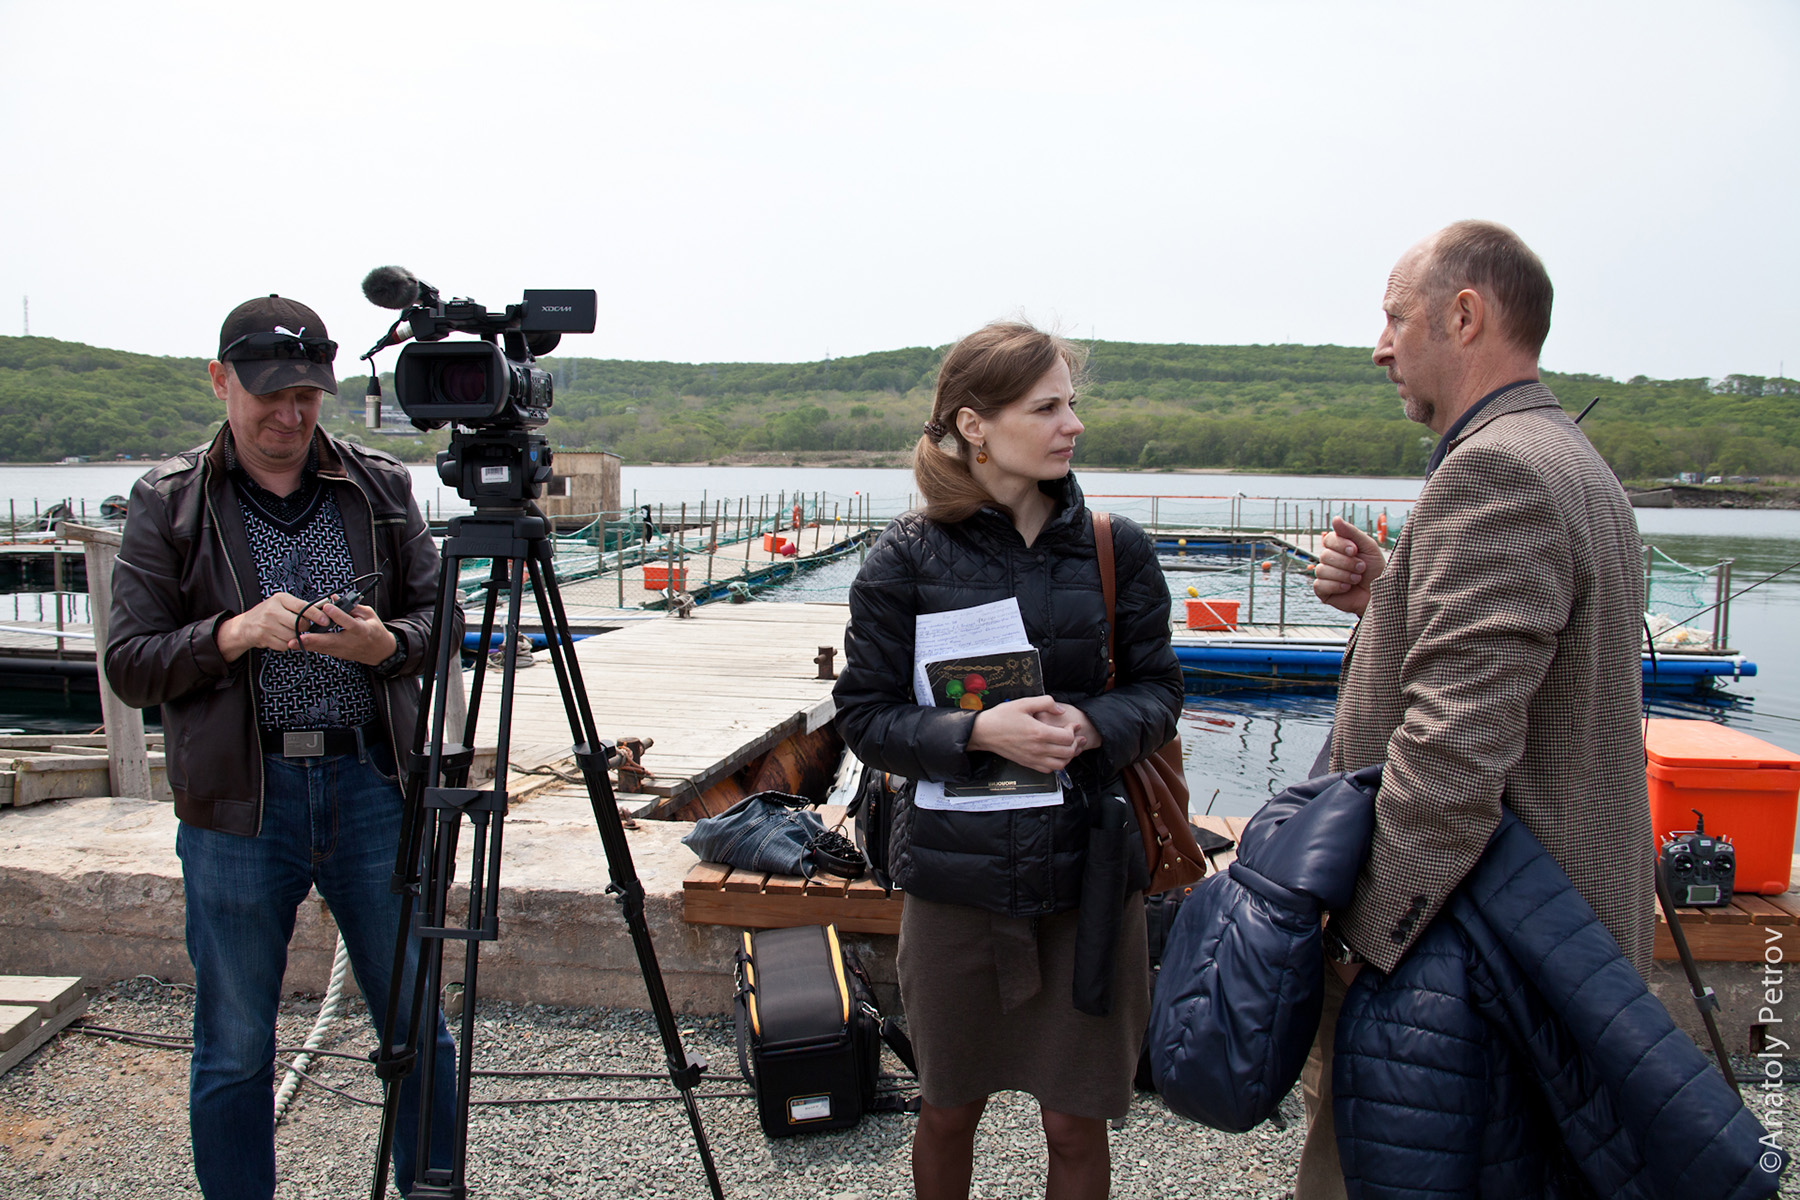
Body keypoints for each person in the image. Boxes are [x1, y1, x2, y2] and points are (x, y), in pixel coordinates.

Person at [1300, 221, 1654, 1197]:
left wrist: (1355, 948)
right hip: (1535, 952)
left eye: (1393, 317)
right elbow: (1519, 676)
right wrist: (1389, 601)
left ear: (1466, 314)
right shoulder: (1564, 455)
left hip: (1476, 972)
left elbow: (1452, 756)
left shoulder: (1495, 471)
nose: (1379, 346)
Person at [104, 295, 459, 1199]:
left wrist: (391, 647)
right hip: (237, 805)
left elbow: (443, 619)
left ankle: (431, 1187)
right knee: (231, 1045)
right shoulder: (168, 502)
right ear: (220, 381)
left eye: (307, 394)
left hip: (372, 785)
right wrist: (232, 633)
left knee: (419, 1024)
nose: (291, 415)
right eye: (270, 394)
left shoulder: (378, 484)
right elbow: (130, 666)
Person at [832, 322, 1183, 1200]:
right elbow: (864, 718)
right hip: (956, 885)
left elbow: (1160, 692)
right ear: (975, 425)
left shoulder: (1115, 547)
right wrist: (977, 736)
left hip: (1088, 878)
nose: (1072, 425)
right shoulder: (905, 556)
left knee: (1075, 1118)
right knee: (948, 1107)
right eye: (1048, 407)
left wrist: (1093, 726)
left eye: (1072, 404)